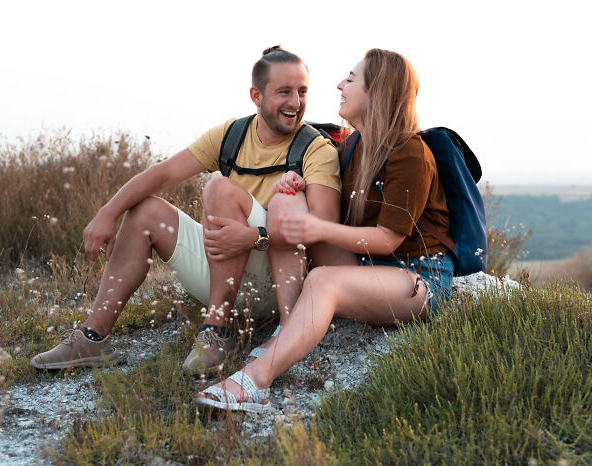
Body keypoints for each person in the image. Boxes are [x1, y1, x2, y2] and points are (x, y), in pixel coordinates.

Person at [30, 46, 341, 373]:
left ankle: (215, 333)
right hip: (226, 270)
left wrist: (252, 237)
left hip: (279, 284)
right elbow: (161, 173)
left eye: (302, 91)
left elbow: (323, 227)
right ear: (256, 95)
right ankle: (92, 338)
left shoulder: (315, 148)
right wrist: (107, 212)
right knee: (145, 211)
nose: (295, 102)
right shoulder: (232, 135)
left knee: (218, 186)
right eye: (284, 92)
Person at [195, 48, 455, 413]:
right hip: (366, 267)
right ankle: (289, 328)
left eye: (351, 78)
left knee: (323, 281)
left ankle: (255, 382)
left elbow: (389, 240)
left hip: (417, 277)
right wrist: (296, 184)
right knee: (286, 202)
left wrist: (315, 226)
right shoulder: (355, 146)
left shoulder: (408, 152)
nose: (339, 85)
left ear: (377, 91)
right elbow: (330, 215)